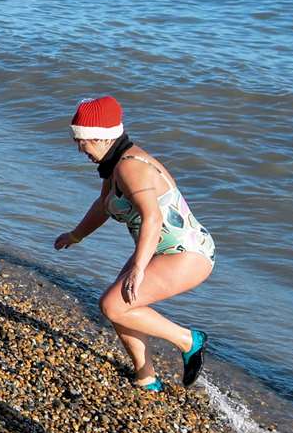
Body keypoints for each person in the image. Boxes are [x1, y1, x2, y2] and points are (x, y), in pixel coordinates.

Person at [53, 96, 213, 395]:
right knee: (122, 303)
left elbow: (152, 217)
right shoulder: (113, 165)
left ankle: (189, 341)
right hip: (159, 250)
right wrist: (76, 235)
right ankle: (146, 376)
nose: (80, 148)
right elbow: (103, 205)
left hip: (187, 254)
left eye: (83, 141)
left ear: (100, 137)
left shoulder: (130, 167)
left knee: (113, 304)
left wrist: (139, 268)